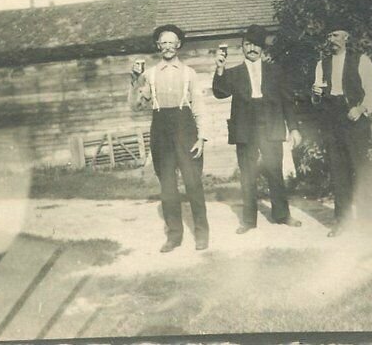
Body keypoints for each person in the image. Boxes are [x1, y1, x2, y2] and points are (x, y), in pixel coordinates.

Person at [213, 24, 303, 234]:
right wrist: (219, 69)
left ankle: (282, 215)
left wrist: (294, 128)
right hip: (245, 127)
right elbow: (220, 93)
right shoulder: (234, 73)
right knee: (247, 174)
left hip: (270, 124)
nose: (252, 48)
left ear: (263, 48)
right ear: (242, 47)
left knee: (275, 170)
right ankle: (248, 221)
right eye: (248, 44)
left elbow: (288, 101)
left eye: (256, 45)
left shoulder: (275, 71)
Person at [129, 24, 209, 252]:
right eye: (162, 42)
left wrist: (202, 137)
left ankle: (202, 234)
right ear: (157, 46)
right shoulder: (149, 74)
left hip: (186, 129)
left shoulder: (189, 73)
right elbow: (136, 105)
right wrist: (135, 82)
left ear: (178, 45)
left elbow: (200, 107)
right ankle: (174, 235)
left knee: (193, 183)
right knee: (168, 186)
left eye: (171, 42)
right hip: (161, 131)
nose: (167, 46)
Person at [310, 19, 372, 237]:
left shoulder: (362, 60)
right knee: (338, 171)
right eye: (329, 36)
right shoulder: (322, 64)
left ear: (346, 37)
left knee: (360, 168)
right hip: (333, 119)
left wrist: (360, 109)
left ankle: (367, 220)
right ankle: (341, 220)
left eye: (336, 35)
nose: (332, 40)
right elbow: (317, 98)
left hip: (355, 119)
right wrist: (315, 94)